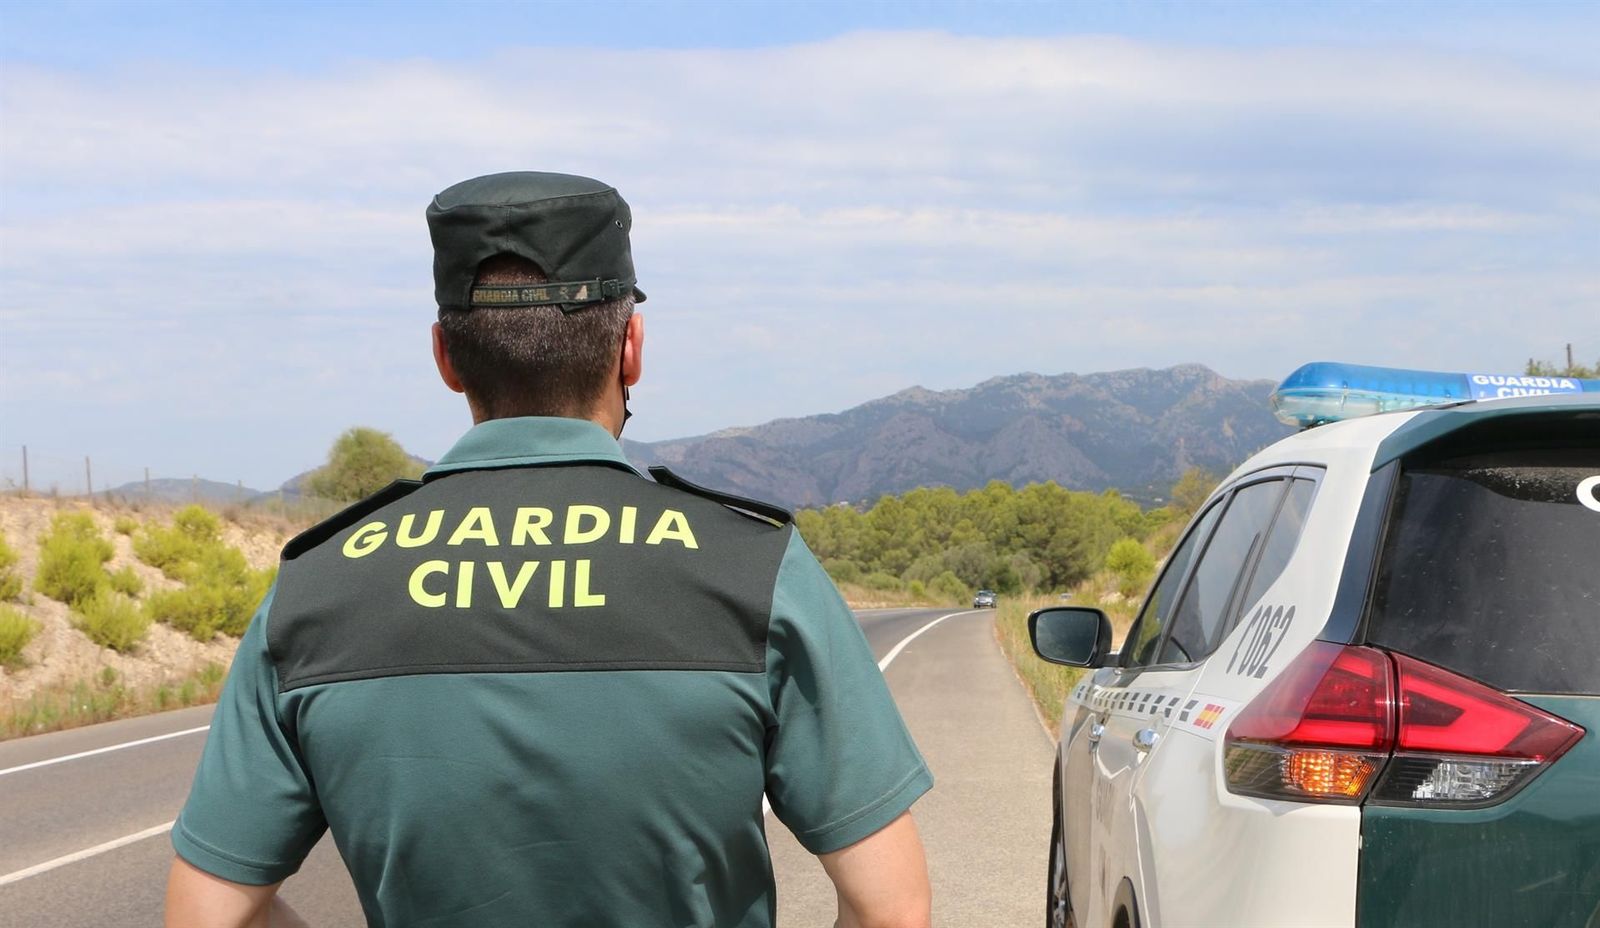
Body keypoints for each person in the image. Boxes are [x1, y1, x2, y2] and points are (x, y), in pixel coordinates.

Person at [164, 171, 934, 928]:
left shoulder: (318, 587)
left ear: (446, 356)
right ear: (630, 347)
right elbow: (890, 908)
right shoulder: (753, 566)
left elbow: (208, 915)